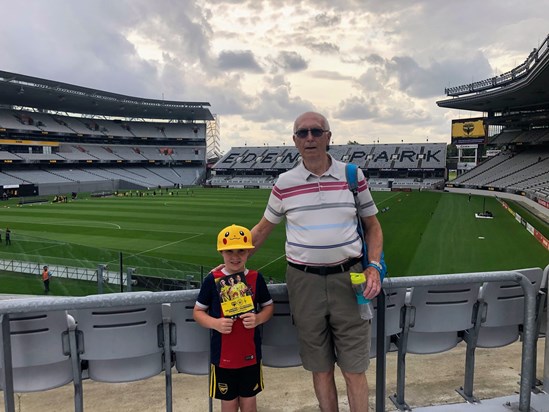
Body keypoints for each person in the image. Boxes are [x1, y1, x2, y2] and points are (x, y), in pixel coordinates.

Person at [249, 112, 384, 411]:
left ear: (328, 136)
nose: (309, 138)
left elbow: (373, 226)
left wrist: (373, 265)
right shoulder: (284, 183)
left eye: (315, 131)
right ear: (294, 140)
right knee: (320, 368)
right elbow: (261, 230)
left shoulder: (352, 175)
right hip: (304, 282)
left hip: (350, 280)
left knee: (354, 368)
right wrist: (230, 265)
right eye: (302, 133)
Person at [194, 224, 274, 412]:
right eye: (229, 251)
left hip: (250, 355)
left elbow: (268, 307)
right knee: (228, 404)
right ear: (221, 252)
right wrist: (215, 323)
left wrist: (258, 319)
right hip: (223, 357)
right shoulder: (212, 279)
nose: (235, 256)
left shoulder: (256, 278)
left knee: (249, 402)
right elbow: (197, 312)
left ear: (248, 252)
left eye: (241, 251)